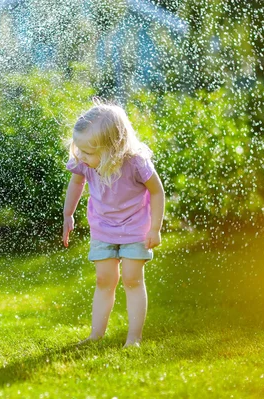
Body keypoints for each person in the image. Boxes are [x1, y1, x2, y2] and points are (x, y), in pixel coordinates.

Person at [62, 102, 165, 348]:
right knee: (104, 280)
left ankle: (133, 339)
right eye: (80, 150)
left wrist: (155, 228)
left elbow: (158, 192)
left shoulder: (136, 162)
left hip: (135, 228)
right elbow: (76, 184)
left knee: (132, 279)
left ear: (112, 148)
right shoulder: (84, 163)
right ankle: (95, 335)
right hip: (103, 228)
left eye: (88, 152)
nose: (82, 157)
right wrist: (68, 214)